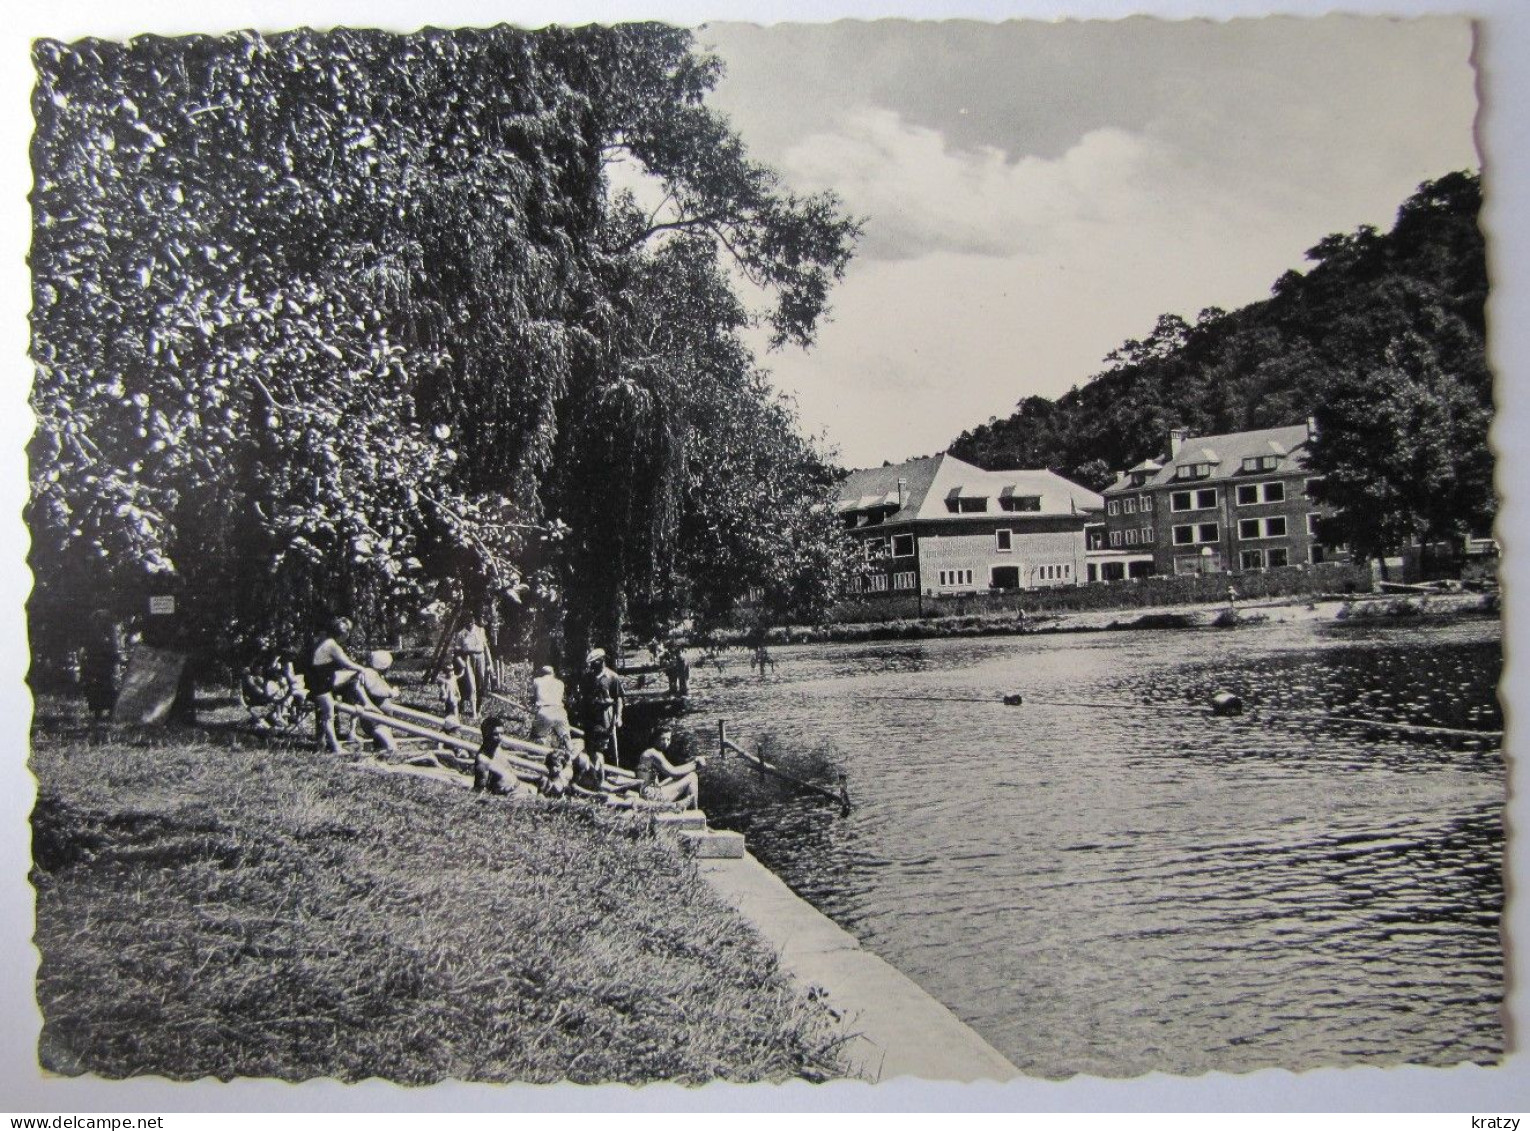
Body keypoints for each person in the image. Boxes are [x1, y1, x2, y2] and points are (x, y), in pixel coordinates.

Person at [306, 616, 368, 755]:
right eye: (347, 634)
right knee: (328, 716)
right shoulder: (332, 645)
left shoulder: (323, 641)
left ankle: (323, 742)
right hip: (320, 685)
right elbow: (346, 663)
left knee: (353, 680)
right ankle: (335, 747)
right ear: (343, 633)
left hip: (318, 681)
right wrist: (362, 669)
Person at [341, 650, 401, 754]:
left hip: (380, 719)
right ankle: (391, 750)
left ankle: (381, 750)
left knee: (382, 738)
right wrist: (391, 693)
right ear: (385, 666)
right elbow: (374, 690)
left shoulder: (373, 674)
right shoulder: (370, 674)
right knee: (389, 742)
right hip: (376, 721)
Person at [635, 726, 705, 809]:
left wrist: (692, 764)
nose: (666, 742)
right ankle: (694, 812)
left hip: (649, 793)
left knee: (679, 777)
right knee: (692, 776)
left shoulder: (651, 752)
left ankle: (692, 809)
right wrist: (695, 764)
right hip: (652, 797)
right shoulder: (652, 753)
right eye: (662, 739)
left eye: (668, 739)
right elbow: (673, 772)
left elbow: (669, 777)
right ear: (655, 740)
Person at [580, 648, 623, 774]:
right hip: (592, 714)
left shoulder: (612, 677)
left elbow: (618, 698)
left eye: (595, 663)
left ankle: (615, 772)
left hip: (606, 714)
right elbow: (584, 697)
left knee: (610, 744)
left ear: (602, 661)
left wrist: (619, 717)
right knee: (591, 744)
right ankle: (594, 773)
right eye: (591, 664)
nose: (593, 666)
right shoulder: (588, 677)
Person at [473, 716, 535, 797]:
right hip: (511, 794)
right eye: (495, 734)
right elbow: (480, 790)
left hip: (518, 787)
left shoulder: (497, 749)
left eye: (501, 733)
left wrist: (533, 779)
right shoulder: (483, 759)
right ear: (486, 734)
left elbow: (509, 771)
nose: (500, 738)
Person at [451, 615, 493, 718]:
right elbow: (456, 652)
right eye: (468, 623)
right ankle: (468, 710)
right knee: (470, 684)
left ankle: (478, 709)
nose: (470, 625)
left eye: (472, 623)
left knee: (481, 684)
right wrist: (461, 662)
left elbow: (486, 648)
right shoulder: (461, 634)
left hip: (480, 657)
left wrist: (490, 663)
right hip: (468, 658)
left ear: (474, 622)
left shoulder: (480, 631)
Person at [527, 664, 572, 749]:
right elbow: (562, 698)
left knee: (538, 737)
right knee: (566, 737)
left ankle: (538, 755)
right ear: (553, 674)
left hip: (545, 711)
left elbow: (532, 697)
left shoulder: (537, 681)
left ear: (541, 673)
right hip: (560, 711)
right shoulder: (560, 683)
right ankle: (570, 756)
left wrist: (531, 706)